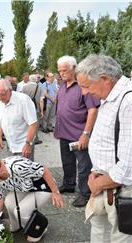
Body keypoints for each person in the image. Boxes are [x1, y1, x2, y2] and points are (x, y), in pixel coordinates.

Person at [76, 54, 132, 242]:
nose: (84, 93)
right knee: (99, 232)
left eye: (86, 85)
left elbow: (128, 166)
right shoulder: (109, 97)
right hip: (105, 183)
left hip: (122, 190)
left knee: (120, 237)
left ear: (105, 79)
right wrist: (95, 172)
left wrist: (97, 184)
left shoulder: (128, 101)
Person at [0, 152, 64, 242]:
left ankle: (38, 229)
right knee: (9, 202)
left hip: (42, 186)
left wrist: (55, 192)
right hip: (25, 188)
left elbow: (43, 170)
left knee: (22, 210)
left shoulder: (16, 166)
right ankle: (17, 225)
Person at [55, 55, 100, 207]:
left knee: (83, 166)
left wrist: (86, 134)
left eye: (64, 70)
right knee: (67, 162)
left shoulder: (83, 86)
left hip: (79, 134)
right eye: (59, 71)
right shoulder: (62, 86)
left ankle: (85, 193)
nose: (61, 73)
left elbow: (93, 110)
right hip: (64, 133)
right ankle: (68, 184)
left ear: (74, 68)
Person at [0, 79, 38, 160]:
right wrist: (0, 137)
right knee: (12, 171)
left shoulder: (23, 100)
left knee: (25, 171)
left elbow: (33, 124)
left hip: (24, 146)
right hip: (10, 145)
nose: (0, 98)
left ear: (10, 90)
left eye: (3, 94)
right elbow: (2, 119)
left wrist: (28, 144)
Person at [21, 74, 45, 145]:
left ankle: (26, 138)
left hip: (25, 108)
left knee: (26, 123)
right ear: (36, 80)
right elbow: (41, 100)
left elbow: (21, 99)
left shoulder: (24, 87)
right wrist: (41, 111)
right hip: (35, 108)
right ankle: (35, 139)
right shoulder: (40, 88)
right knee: (35, 124)